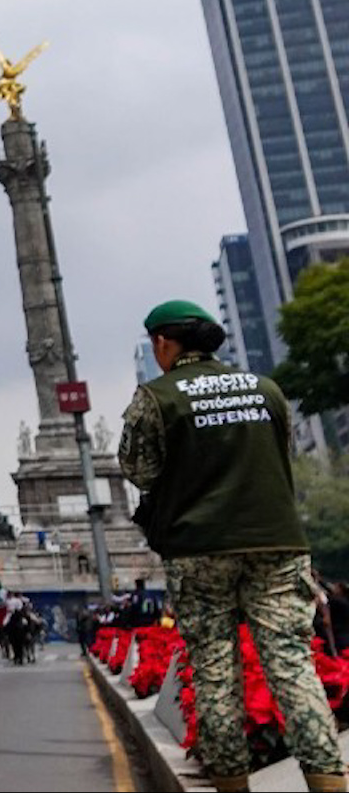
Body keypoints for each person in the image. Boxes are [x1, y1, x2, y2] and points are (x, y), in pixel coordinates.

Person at [119, 299, 345, 793]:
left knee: (215, 672)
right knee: (291, 663)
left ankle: (233, 787)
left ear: (162, 343)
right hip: (277, 541)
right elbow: (280, 453)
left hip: (198, 548)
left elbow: (138, 471)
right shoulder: (266, 389)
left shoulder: (156, 398)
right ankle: (329, 784)